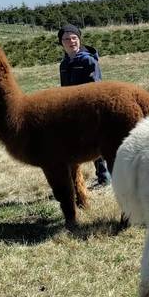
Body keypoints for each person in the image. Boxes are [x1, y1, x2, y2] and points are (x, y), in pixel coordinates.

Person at [58, 23, 111, 187]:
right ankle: (76, 181)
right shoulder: (64, 65)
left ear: (79, 40)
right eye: (66, 39)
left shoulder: (88, 61)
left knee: (95, 142)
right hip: (72, 109)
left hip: (89, 108)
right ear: (61, 43)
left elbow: (96, 87)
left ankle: (105, 177)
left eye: (74, 38)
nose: (71, 41)